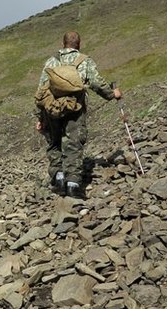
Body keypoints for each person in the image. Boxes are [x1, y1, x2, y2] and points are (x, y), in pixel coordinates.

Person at [35, 31, 121, 198]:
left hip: (52, 109)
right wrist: (112, 94)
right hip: (75, 108)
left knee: (54, 142)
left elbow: (41, 90)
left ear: (63, 44)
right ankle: (73, 185)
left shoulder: (51, 62)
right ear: (78, 45)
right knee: (73, 143)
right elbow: (97, 82)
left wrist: (40, 117)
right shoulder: (84, 60)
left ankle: (59, 179)